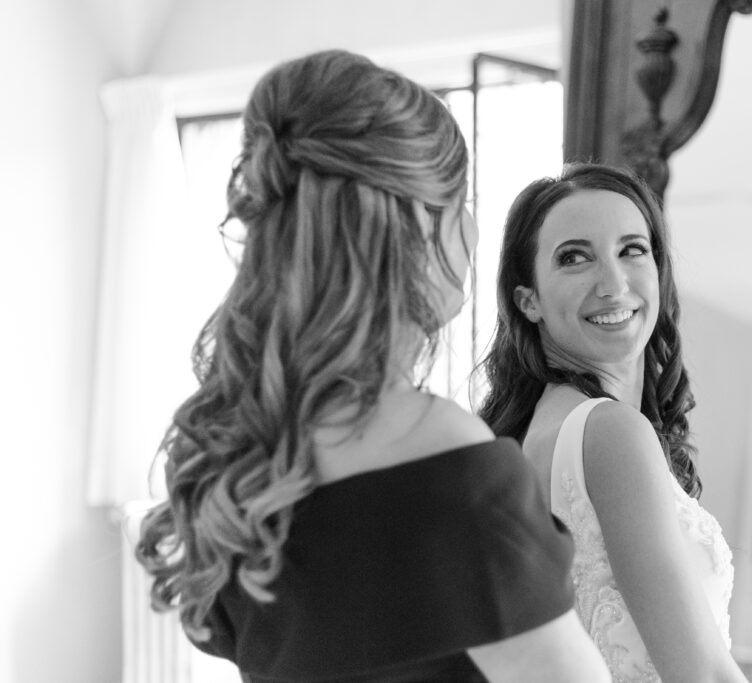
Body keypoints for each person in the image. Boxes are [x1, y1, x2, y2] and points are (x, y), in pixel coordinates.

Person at [135, 51, 610, 683]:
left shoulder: (234, 454)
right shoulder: (443, 458)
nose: (472, 230)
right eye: (460, 205)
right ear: (416, 224)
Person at [479, 163, 748, 683]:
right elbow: (703, 674)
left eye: (632, 250)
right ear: (527, 299)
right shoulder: (610, 432)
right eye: (575, 258)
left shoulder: (541, 431)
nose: (613, 283)